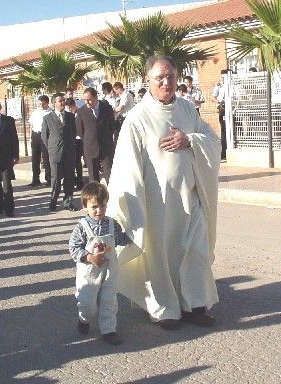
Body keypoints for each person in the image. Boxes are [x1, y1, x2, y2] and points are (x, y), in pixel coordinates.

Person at [106, 55, 221, 330]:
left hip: (190, 197)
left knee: (196, 250)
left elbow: (212, 140)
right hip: (157, 204)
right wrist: (133, 209)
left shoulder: (187, 108)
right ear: (148, 80)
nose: (166, 82)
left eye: (170, 76)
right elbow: (126, 165)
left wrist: (189, 139)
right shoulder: (136, 118)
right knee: (160, 256)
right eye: (160, 78)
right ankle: (165, 309)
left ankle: (195, 305)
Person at [68, 181, 132, 344]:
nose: (99, 210)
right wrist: (90, 257)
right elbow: (73, 247)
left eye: (102, 206)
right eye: (94, 206)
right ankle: (84, 319)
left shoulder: (111, 224)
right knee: (88, 303)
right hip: (89, 273)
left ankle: (109, 330)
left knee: (109, 301)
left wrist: (135, 235)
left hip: (109, 271)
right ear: (85, 206)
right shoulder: (82, 227)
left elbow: (120, 239)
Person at [41, 93, 77, 212]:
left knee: (69, 178)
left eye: (63, 100)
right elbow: (44, 137)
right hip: (55, 152)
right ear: (54, 103)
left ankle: (68, 202)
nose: (62, 103)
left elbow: (73, 132)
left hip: (69, 152)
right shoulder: (47, 118)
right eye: (60, 101)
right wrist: (52, 148)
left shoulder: (70, 116)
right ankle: (53, 201)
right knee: (56, 178)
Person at [75, 87, 115, 184]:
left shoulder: (106, 108)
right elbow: (80, 131)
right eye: (85, 100)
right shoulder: (81, 111)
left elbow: (112, 126)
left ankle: (112, 197)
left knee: (109, 174)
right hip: (90, 147)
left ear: (96, 97)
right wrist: (90, 139)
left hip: (106, 146)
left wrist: (106, 137)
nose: (87, 102)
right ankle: (96, 198)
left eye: (89, 100)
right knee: (93, 177)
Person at [28, 95, 52, 187]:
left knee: (46, 158)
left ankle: (49, 178)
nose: (41, 106)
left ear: (47, 103)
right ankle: (35, 179)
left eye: (43, 104)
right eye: (39, 104)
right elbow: (31, 125)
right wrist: (31, 136)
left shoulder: (50, 112)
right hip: (35, 135)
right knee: (35, 158)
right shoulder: (36, 112)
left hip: (45, 135)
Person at [65, 97, 83, 191]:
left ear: (74, 105)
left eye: (71, 108)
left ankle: (80, 181)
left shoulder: (81, 113)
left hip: (80, 139)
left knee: (78, 162)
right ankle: (75, 180)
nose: (70, 110)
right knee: (72, 162)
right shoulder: (68, 115)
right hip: (71, 140)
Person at [212, 69, 229, 159]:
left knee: (235, 129)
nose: (222, 78)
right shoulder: (219, 85)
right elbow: (213, 96)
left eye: (224, 76)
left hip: (232, 108)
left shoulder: (232, 84)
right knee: (224, 130)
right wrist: (219, 103)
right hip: (222, 108)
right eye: (221, 76)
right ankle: (223, 152)